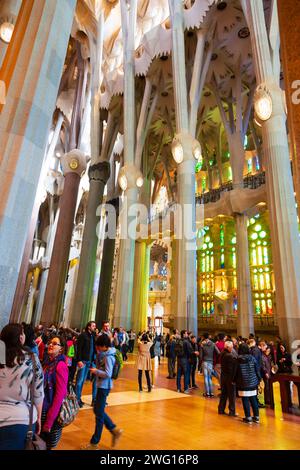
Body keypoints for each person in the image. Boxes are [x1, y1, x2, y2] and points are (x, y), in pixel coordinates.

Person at [0, 323, 44, 450]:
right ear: (20, 338)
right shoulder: (31, 359)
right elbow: (38, 393)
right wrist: (39, 418)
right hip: (20, 420)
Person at [81, 334, 123, 449]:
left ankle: (95, 442)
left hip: (104, 386)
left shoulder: (108, 356)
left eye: (99, 346)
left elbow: (108, 374)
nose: (97, 348)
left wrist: (96, 371)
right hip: (102, 386)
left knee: (99, 414)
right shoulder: (104, 354)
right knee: (98, 411)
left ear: (104, 346)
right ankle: (114, 430)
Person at [41, 335, 68, 449]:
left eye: (55, 343)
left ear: (61, 349)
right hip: (41, 410)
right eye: (50, 342)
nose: (50, 345)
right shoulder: (48, 363)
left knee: (45, 445)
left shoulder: (60, 366)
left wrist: (49, 421)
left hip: (49, 413)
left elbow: (59, 395)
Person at [235, 343, 261, 424]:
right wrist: (259, 378)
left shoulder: (238, 359)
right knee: (253, 399)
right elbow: (257, 369)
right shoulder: (252, 358)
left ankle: (248, 417)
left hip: (243, 382)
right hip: (253, 382)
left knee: (245, 399)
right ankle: (256, 417)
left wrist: (234, 380)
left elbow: (236, 372)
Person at [75, 321, 97, 407]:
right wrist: (79, 360)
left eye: (95, 326)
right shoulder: (83, 335)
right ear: (88, 327)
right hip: (83, 361)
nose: (94, 327)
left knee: (83, 381)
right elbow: (79, 349)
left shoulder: (93, 336)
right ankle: (77, 399)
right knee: (79, 381)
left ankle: (79, 398)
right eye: (93, 326)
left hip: (89, 361)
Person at [218, 341, 238, 416]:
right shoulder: (229, 356)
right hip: (229, 378)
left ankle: (221, 409)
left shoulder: (222, 353)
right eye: (231, 347)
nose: (232, 348)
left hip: (223, 377)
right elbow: (231, 369)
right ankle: (232, 411)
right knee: (231, 395)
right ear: (227, 347)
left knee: (224, 394)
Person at [200, 333, 220, 397]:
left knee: (206, 377)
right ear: (208, 337)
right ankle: (211, 392)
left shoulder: (202, 345)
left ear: (203, 337)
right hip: (211, 362)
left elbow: (200, 356)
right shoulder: (213, 344)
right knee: (210, 377)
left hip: (205, 361)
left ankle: (207, 393)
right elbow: (218, 352)